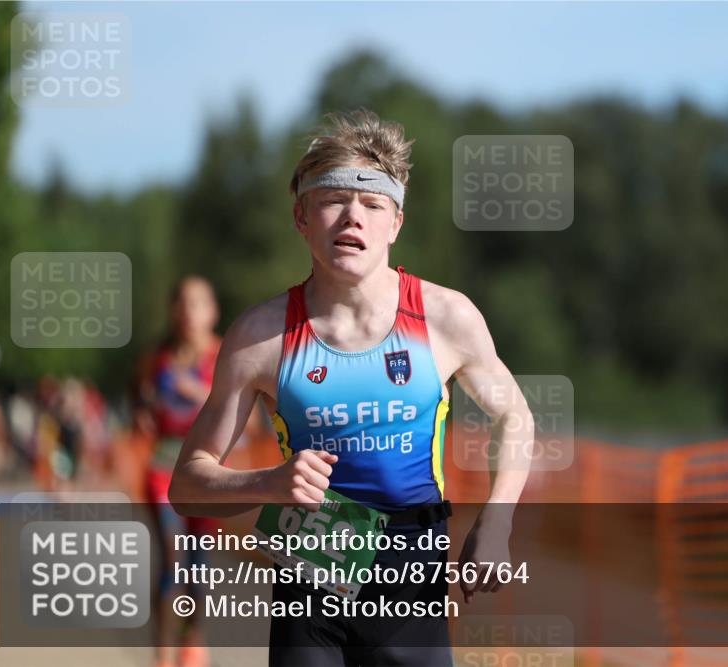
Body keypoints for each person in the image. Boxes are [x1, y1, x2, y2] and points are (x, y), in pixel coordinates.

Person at [169, 110, 532, 667]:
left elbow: (515, 417)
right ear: (302, 218)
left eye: (372, 205)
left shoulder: (445, 317)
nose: (352, 219)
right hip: (310, 584)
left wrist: (497, 518)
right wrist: (270, 482)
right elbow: (188, 484)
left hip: (413, 578)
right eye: (333, 201)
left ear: (396, 223)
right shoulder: (259, 336)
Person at [136, 275, 222, 667]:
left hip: (207, 473)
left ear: (212, 312)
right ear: (173, 311)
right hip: (163, 470)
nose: (190, 311)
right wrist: (144, 413)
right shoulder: (159, 359)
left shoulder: (223, 355)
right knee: (173, 561)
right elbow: (139, 396)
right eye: (183, 303)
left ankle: (193, 645)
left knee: (199, 566)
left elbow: (248, 419)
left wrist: (200, 394)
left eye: (198, 303)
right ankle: (163, 655)